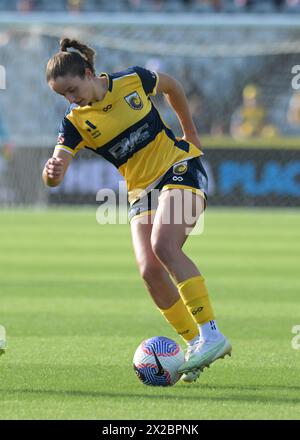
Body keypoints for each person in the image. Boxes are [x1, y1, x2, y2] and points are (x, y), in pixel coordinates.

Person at [43, 38, 231, 382]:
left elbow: (171, 85)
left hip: (179, 165)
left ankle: (212, 334)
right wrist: (51, 172)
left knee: (164, 246)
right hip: (141, 191)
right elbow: (56, 167)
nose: (71, 99)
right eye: (63, 96)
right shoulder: (74, 123)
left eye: (72, 89)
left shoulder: (132, 80)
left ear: (88, 73)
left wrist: (190, 132)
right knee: (149, 269)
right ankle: (194, 345)